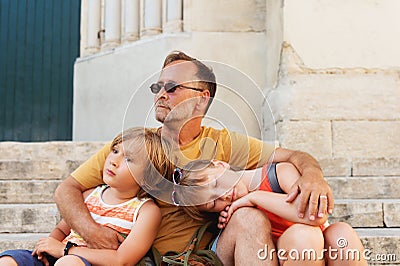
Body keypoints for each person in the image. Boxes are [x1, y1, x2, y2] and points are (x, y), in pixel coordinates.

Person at [54, 51, 334, 265]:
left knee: (250, 218)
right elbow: (67, 189)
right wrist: (90, 231)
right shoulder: (135, 147)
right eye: (157, 88)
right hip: (154, 258)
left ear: (201, 98)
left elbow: (295, 156)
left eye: (172, 88)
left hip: (209, 254)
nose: (160, 95)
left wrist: (313, 176)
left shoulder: (223, 142)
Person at [0, 127, 174, 266]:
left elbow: (122, 260)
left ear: (149, 177)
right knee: (9, 260)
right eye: (115, 151)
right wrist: (47, 247)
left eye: (128, 159)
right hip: (59, 255)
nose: (114, 160)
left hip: (87, 261)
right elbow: (62, 230)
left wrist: (65, 250)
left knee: (68, 263)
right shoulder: (90, 194)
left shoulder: (146, 211)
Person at [175, 159, 367, 265]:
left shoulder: (278, 173)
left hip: (309, 252)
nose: (223, 196)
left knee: (341, 233)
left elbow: (316, 215)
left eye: (216, 183)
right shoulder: (232, 213)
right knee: (303, 236)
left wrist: (255, 197)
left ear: (221, 164)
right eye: (212, 203)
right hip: (272, 255)